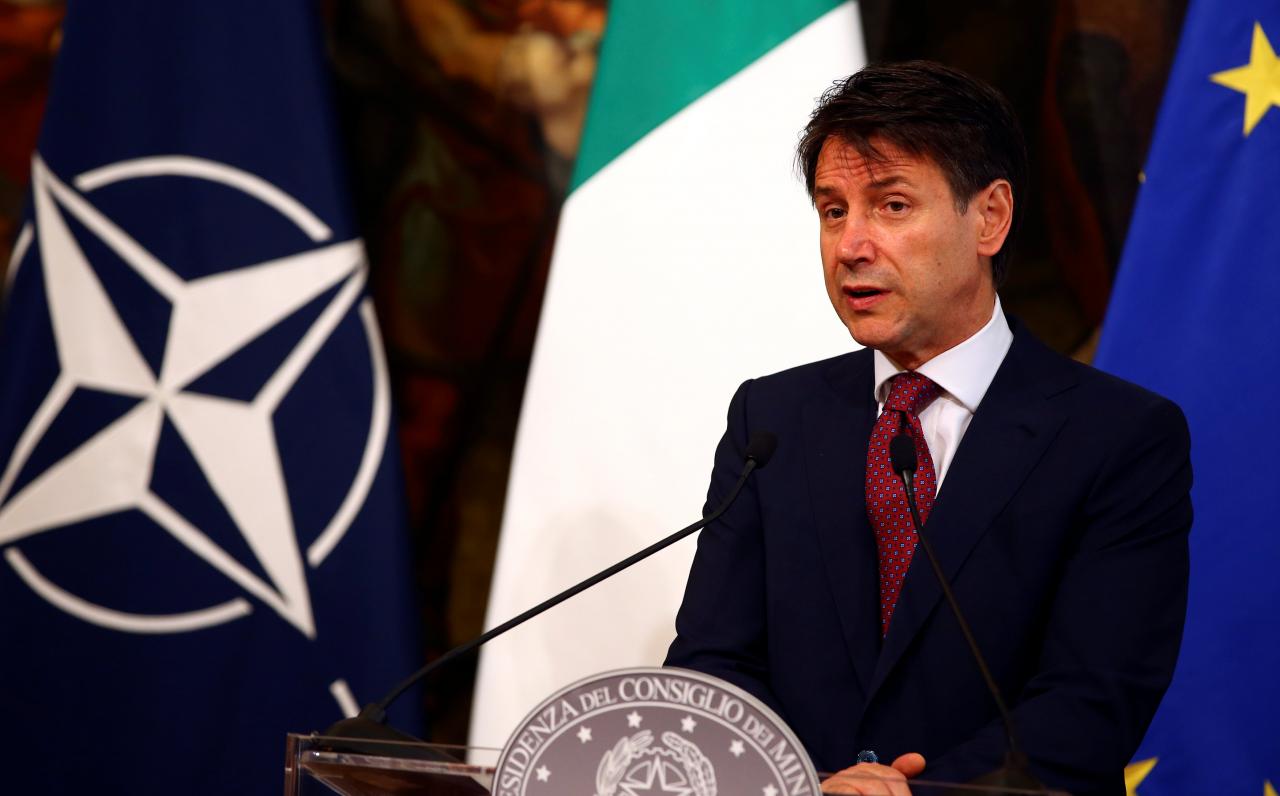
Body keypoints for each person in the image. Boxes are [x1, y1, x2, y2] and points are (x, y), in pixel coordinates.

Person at [664, 61, 1191, 796]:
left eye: (892, 205)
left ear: (990, 218)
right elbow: (711, 671)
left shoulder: (1119, 438)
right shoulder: (772, 421)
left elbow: (1093, 703)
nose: (851, 244)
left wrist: (915, 794)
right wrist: (808, 789)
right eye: (833, 210)